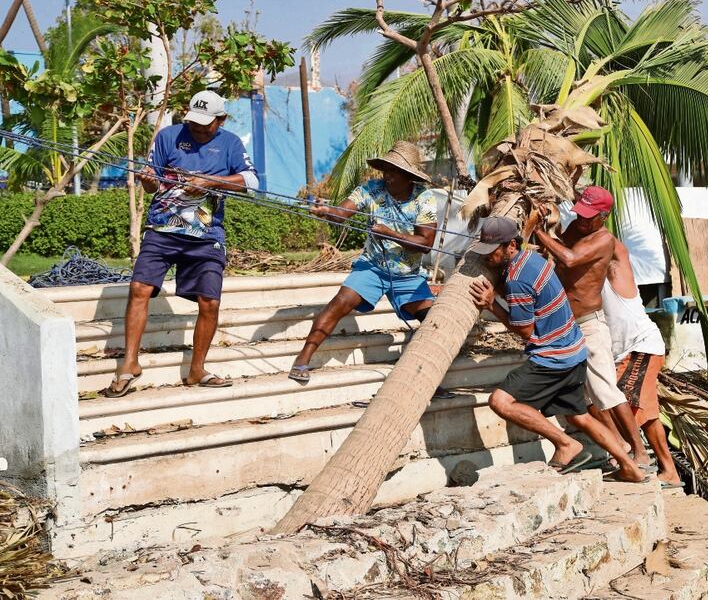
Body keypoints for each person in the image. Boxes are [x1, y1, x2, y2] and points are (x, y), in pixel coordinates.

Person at [467, 217, 647, 482]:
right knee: (579, 417)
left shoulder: (517, 280)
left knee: (500, 401)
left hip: (552, 356)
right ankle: (630, 468)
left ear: (511, 246)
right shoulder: (532, 259)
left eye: (493, 252)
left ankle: (566, 445)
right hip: (574, 349)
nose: (488, 258)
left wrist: (492, 304)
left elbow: (526, 332)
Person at [105, 90, 258, 397]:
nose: (199, 130)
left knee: (210, 302)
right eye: (194, 123)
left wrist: (211, 181)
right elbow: (153, 183)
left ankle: (197, 370)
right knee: (139, 288)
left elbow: (251, 181)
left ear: (221, 119)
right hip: (162, 230)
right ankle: (129, 364)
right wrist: (148, 181)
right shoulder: (168, 137)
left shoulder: (230, 143)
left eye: (206, 125)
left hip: (206, 235)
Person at [288, 141, 437, 384]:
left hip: (408, 275)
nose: (387, 176)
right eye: (386, 169)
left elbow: (425, 242)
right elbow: (341, 213)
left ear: (409, 176)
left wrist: (391, 234)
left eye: (394, 171)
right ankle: (303, 359)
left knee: (433, 321)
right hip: (373, 266)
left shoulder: (424, 198)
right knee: (341, 301)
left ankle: (428, 377)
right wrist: (326, 211)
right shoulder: (371, 189)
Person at [532, 186, 653, 472]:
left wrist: (539, 234)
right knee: (584, 396)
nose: (583, 222)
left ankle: (640, 451)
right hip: (566, 325)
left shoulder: (604, 239)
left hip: (589, 324)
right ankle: (618, 446)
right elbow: (560, 246)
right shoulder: (577, 228)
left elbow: (569, 258)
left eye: (589, 218)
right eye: (581, 216)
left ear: (604, 216)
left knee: (607, 392)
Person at [603, 237, 684, 487]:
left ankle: (629, 454)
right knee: (646, 414)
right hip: (624, 353)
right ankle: (668, 471)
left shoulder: (616, 264)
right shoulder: (584, 270)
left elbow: (611, 244)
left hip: (641, 347)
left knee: (618, 399)